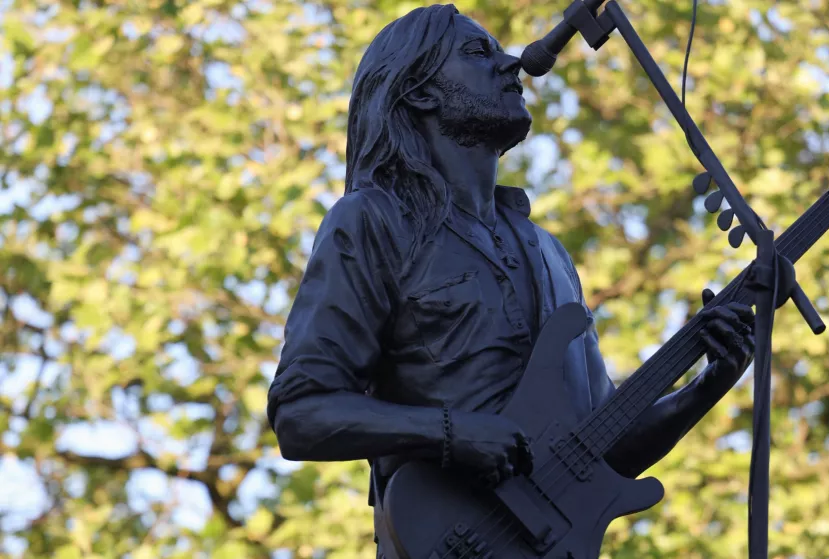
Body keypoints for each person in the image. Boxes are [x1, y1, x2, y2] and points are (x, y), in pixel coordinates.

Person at [266, 4, 754, 555]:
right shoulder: (372, 220)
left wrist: (707, 385)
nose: (511, 64)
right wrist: (450, 432)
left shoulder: (550, 254)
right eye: (479, 53)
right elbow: (301, 413)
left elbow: (600, 450)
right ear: (421, 91)